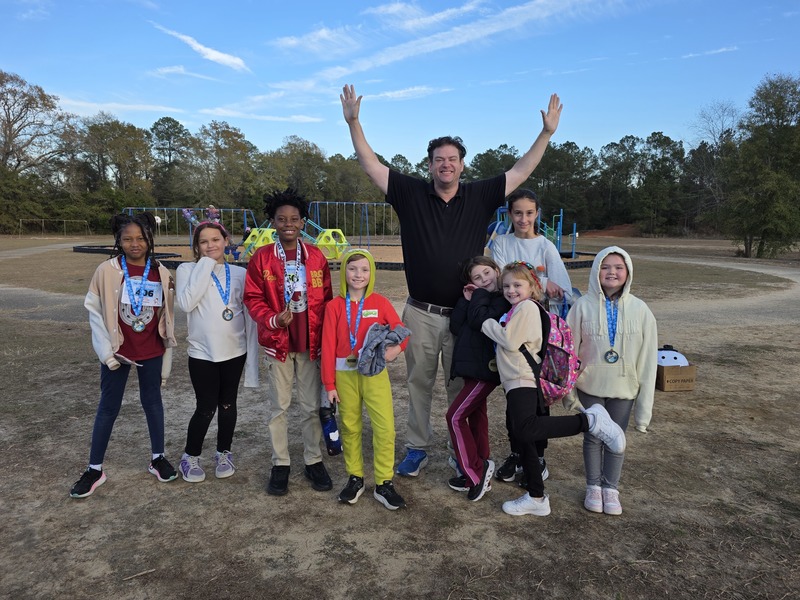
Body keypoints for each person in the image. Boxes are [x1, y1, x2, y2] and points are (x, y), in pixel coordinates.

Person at [341, 83, 563, 477]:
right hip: (421, 313)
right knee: (418, 384)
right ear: (429, 166)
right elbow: (370, 163)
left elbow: (521, 170)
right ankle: (417, 447)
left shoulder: (479, 196)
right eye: (439, 159)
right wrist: (353, 123)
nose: (446, 165)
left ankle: (459, 450)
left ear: (462, 165)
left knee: (460, 388)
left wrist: (545, 133)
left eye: (453, 159)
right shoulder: (410, 193)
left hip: (466, 315)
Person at [481, 262, 626, 516]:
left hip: (522, 378)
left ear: (532, 287)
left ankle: (590, 421)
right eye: (506, 286)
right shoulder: (519, 309)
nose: (511, 290)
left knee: (525, 429)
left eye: (517, 285)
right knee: (525, 437)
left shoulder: (526, 307)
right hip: (516, 379)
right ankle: (536, 497)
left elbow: (510, 341)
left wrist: (486, 322)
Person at [70, 212, 178, 498]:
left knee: (152, 402)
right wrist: (106, 353)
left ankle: (158, 458)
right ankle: (95, 469)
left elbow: (167, 315)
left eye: (141, 238)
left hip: (151, 349)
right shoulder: (106, 270)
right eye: (127, 239)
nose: (135, 244)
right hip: (118, 351)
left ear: (150, 239)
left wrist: (167, 352)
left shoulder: (161, 271)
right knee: (108, 406)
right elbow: (94, 313)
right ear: (118, 240)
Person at [244, 189, 334, 496]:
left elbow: (328, 299)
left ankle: (313, 460)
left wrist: (328, 337)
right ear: (273, 222)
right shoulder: (262, 257)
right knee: (279, 408)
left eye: (294, 219)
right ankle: (280, 464)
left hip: (310, 345)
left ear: (303, 221)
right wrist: (273, 319)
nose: (288, 224)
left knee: (310, 406)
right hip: (278, 343)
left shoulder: (316, 257)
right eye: (281, 219)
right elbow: (252, 297)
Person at [490, 188, 573, 484]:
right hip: (511, 331)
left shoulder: (546, 246)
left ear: (537, 214)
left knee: (538, 397)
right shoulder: (502, 243)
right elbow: (502, 280)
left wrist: (547, 282)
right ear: (509, 214)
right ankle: (516, 453)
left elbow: (562, 289)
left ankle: (537, 456)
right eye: (517, 213)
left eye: (529, 213)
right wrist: (541, 280)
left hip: (538, 336)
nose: (523, 219)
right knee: (514, 396)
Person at [566, 246, 657, 515]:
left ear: (628, 271)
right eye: (605, 267)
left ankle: (610, 488)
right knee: (593, 436)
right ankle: (593, 486)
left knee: (616, 437)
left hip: (624, 387)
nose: (611, 272)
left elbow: (648, 359)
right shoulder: (582, 306)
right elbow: (569, 351)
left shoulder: (640, 310)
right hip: (590, 385)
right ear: (596, 271)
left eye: (618, 267)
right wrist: (568, 391)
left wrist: (644, 412)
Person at [321, 249, 410, 510]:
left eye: (364, 269)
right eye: (352, 269)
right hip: (344, 376)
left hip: (374, 374)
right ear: (343, 272)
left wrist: (396, 349)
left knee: (385, 428)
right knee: (350, 427)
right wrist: (329, 384)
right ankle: (355, 477)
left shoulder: (380, 303)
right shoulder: (334, 306)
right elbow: (327, 347)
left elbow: (402, 332)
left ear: (371, 273)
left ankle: (384, 482)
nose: (358, 274)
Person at [175, 221, 260, 483]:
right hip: (202, 353)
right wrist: (206, 263)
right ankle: (190, 456)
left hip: (235, 351)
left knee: (228, 405)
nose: (210, 245)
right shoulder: (188, 269)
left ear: (226, 241)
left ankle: (224, 452)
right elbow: (186, 303)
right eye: (203, 242)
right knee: (205, 407)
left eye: (215, 239)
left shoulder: (239, 273)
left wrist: (252, 358)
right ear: (196, 247)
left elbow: (249, 316)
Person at [445, 256, 509, 502]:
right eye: (477, 278)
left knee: (454, 417)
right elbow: (456, 326)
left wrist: (478, 295)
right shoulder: (474, 299)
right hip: (472, 368)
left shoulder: (502, 298)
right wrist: (465, 299)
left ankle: (474, 473)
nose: (483, 280)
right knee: (476, 417)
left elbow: (479, 319)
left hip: (486, 370)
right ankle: (482, 464)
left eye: (486, 274)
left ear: (496, 271)